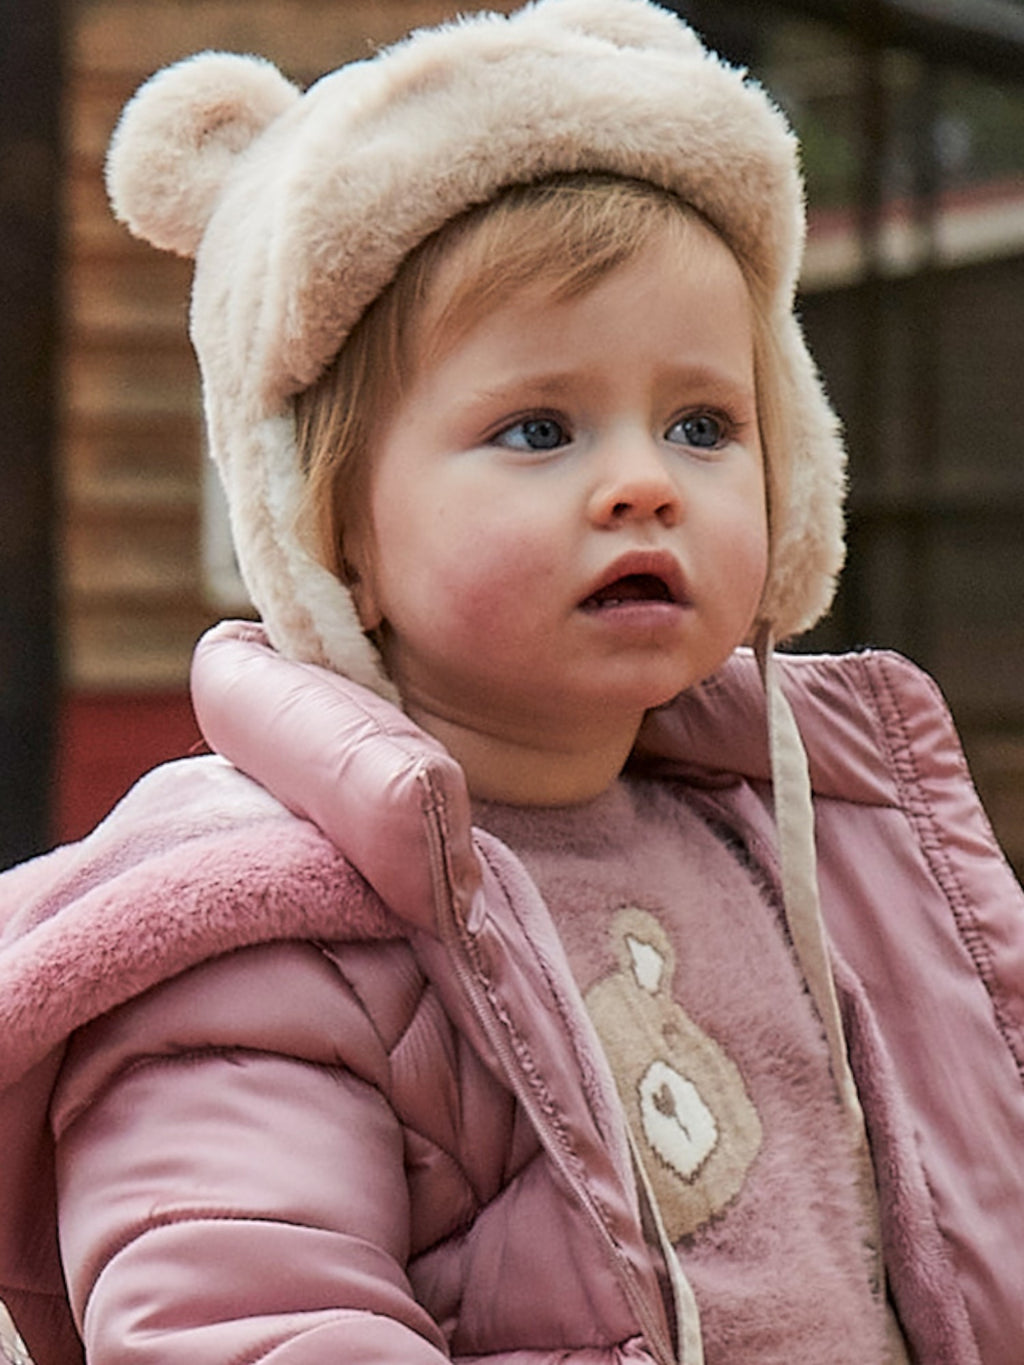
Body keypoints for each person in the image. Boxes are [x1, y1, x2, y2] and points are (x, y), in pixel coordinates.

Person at [1, 2, 1022, 1362]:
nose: (645, 482)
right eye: (539, 427)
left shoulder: (804, 846)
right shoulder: (261, 933)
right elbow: (247, 1316)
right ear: (334, 535)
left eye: (703, 423)